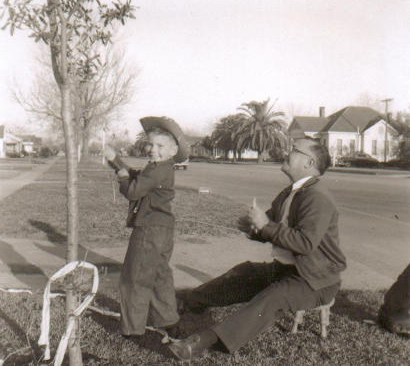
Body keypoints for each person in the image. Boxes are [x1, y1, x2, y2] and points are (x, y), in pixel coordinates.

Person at [168, 137, 347, 362]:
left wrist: (264, 225)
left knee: (271, 298)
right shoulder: (292, 192)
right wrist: (253, 228)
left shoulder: (317, 197)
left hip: (315, 280)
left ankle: (200, 343)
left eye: (294, 150)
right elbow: (270, 227)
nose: (286, 152)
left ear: (308, 163)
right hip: (287, 270)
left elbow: (305, 243)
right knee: (245, 273)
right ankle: (190, 300)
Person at [104, 116, 189, 337]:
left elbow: (133, 190)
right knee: (159, 275)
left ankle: (132, 329)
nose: (153, 149)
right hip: (163, 230)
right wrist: (117, 163)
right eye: (150, 144)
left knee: (135, 277)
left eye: (160, 146)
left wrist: (121, 177)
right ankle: (169, 320)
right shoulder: (161, 167)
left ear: (173, 151)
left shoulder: (157, 169)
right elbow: (137, 177)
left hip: (149, 230)